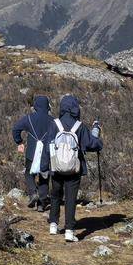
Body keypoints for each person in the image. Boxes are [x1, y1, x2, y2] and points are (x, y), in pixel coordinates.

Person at [44, 93, 100, 241]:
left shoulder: (54, 124)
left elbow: (48, 146)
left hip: (56, 167)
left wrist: (45, 166)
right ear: (76, 108)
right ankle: (69, 230)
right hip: (74, 168)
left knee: (55, 195)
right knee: (70, 198)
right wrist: (98, 138)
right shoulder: (79, 126)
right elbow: (91, 144)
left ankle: (53, 224)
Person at [11, 95, 54, 210]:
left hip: (31, 152)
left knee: (29, 174)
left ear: (35, 106)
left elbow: (15, 129)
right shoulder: (53, 121)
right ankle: (41, 203)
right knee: (44, 176)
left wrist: (19, 142)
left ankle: (33, 193)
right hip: (46, 153)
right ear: (47, 106)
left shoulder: (29, 118)